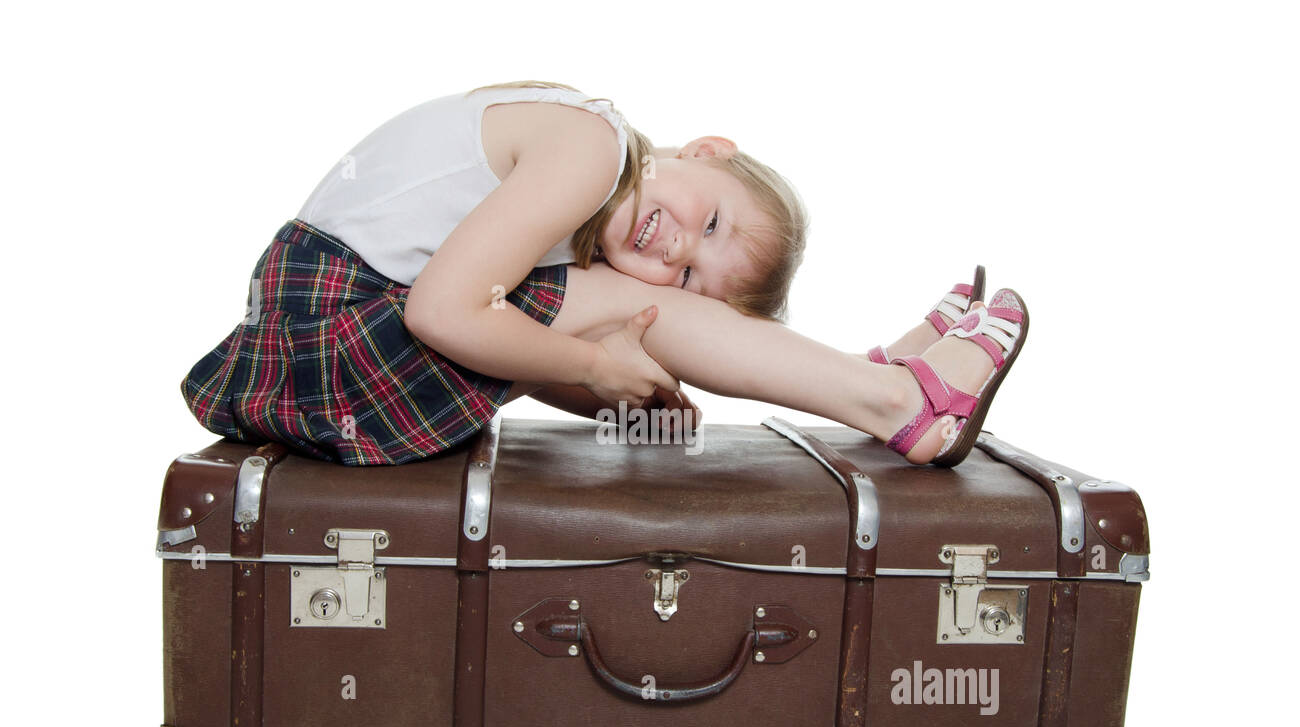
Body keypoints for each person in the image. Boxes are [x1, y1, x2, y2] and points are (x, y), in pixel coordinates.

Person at [182, 81, 1026, 467]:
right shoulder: (593, 148)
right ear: (706, 149)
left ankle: (859, 377)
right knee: (614, 316)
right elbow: (440, 313)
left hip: (321, 345)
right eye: (711, 218)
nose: (672, 250)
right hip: (325, 338)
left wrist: (620, 394)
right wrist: (591, 361)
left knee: (617, 326)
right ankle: (901, 403)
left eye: (691, 277)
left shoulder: (582, 219)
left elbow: (495, 339)